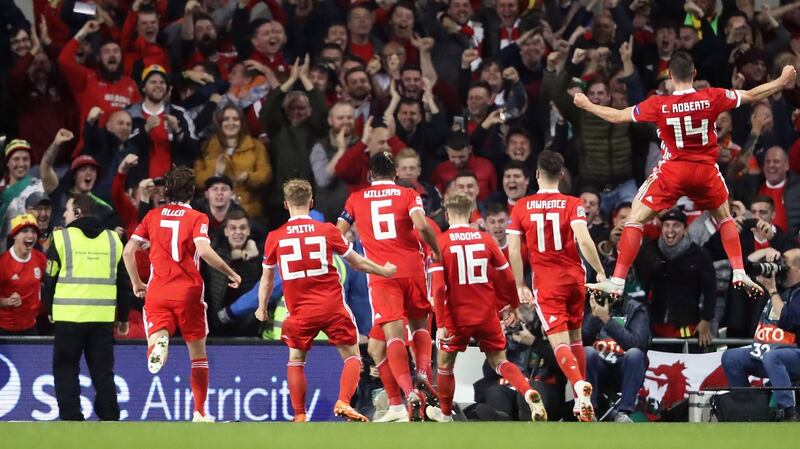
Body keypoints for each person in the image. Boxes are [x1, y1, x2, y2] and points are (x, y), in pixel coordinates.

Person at [573, 50, 798, 299]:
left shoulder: (660, 104)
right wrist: (781, 80)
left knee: (635, 217)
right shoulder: (712, 97)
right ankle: (739, 271)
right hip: (705, 171)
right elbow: (751, 95)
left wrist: (587, 105)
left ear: (670, 76)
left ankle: (617, 280)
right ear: (694, 73)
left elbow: (617, 117)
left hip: (674, 171)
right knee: (724, 217)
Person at [255, 179, 397, 422]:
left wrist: (262, 308)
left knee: (296, 360)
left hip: (299, 311)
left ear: (286, 205)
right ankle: (343, 401)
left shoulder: (274, 237)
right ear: (311, 202)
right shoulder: (328, 231)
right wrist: (383, 271)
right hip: (332, 307)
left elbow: (267, 279)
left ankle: (300, 415)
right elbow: (357, 262)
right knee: (352, 357)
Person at [122, 166, 241, 422]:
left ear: (166, 190)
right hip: (189, 292)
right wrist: (230, 272)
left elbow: (128, 251)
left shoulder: (152, 217)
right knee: (198, 355)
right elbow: (205, 251)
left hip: (158, 289)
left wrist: (136, 282)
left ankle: (160, 342)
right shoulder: (198, 217)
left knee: (157, 332)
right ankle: (199, 412)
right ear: (192, 192)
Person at [426, 192, 547, 423]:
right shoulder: (486, 240)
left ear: (448, 214)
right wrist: (511, 306)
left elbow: (439, 289)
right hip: (486, 316)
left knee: (444, 364)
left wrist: (440, 323)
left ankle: (443, 414)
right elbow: (508, 278)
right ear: (472, 213)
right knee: (499, 362)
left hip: (455, 318)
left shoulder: (440, 243)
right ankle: (526, 390)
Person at [337, 152, 441, 419]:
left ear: (370, 175)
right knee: (402, 333)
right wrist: (436, 250)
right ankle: (417, 378)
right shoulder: (407, 194)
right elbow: (420, 224)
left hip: (382, 274)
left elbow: (338, 234)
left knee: (393, 336)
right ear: (395, 173)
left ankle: (408, 393)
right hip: (412, 268)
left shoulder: (356, 199)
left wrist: (357, 259)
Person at [507, 150, 608, 422]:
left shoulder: (521, 207)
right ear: (561, 174)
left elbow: (515, 251)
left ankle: (578, 385)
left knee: (559, 342)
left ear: (537, 175)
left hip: (547, 283)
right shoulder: (573, 203)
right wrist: (599, 271)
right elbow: (584, 240)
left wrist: (519, 284)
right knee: (576, 338)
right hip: (575, 279)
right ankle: (581, 400)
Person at [43, 194, 129, 421]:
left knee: (66, 369)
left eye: (68, 210)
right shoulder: (113, 240)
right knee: (103, 372)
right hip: (102, 319)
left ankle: (72, 417)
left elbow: (50, 278)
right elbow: (122, 281)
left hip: (68, 318)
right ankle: (110, 416)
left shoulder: (61, 239)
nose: (64, 214)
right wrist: (124, 316)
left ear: (78, 213)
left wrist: (49, 309)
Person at [721, 247, 800, 422]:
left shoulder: (789, 293)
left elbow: (789, 320)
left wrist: (772, 291)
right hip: (765, 353)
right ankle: (747, 406)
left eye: (785, 265)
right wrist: (766, 252)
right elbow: (741, 272)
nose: (781, 268)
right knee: (731, 357)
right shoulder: (771, 286)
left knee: (773, 357)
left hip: (792, 356)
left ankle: (788, 412)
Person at [582, 291, 650, 422]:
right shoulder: (590, 306)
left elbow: (636, 343)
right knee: (587, 352)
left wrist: (607, 320)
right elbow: (581, 340)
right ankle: (590, 411)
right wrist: (594, 316)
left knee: (635, 354)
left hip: (624, 368)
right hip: (598, 367)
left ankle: (623, 412)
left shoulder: (636, 309)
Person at [195, 104, 272, 218]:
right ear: (219, 123)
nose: (231, 123)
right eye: (226, 119)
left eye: (235, 119)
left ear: (241, 123)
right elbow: (197, 179)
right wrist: (215, 173)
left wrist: (248, 177)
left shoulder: (256, 146)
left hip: (248, 211)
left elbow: (265, 175)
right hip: (213, 214)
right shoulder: (206, 147)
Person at [0, 214, 47, 335]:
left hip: (31, 327)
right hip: (5, 330)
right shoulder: (3, 263)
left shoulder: (40, 259)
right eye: (25, 231)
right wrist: (7, 301)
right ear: (15, 235)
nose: (30, 235)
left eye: (33, 231)